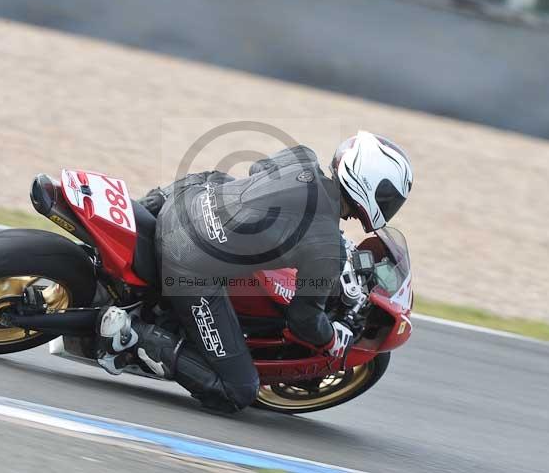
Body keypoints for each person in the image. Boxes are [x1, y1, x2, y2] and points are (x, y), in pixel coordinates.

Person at [96, 131, 413, 412]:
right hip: (188, 265)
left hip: (183, 201)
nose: (389, 206)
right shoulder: (323, 245)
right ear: (372, 188)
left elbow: (258, 173)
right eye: (389, 199)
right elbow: (304, 320)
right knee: (238, 391)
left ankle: (126, 232)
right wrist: (334, 340)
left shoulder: (301, 157)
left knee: (219, 179)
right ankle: (132, 335)